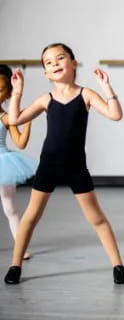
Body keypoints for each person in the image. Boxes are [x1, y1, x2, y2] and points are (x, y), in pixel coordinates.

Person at [3, 43, 124, 284]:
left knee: (97, 218)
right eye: (48, 63)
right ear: (46, 73)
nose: (55, 64)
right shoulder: (45, 99)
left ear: (73, 63)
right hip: (48, 165)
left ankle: (118, 265)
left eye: (60, 58)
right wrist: (17, 92)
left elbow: (115, 114)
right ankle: (15, 265)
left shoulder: (86, 94)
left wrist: (106, 87)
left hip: (76, 167)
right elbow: (16, 119)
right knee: (31, 217)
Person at [0, 64, 36, 260]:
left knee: (10, 208)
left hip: (3, 163)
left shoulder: (6, 117)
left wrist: (28, 121)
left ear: (7, 94)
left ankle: (20, 246)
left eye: (0, 90)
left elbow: (21, 143)